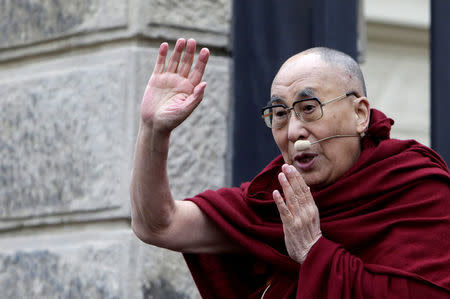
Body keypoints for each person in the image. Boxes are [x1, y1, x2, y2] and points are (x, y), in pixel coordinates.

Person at [130, 38, 450, 298]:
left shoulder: (414, 187)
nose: (294, 131)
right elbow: (159, 225)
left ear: (360, 114)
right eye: (280, 114)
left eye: (308, 108)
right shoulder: (273, 201)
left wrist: (314, 252)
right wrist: (153, 130)